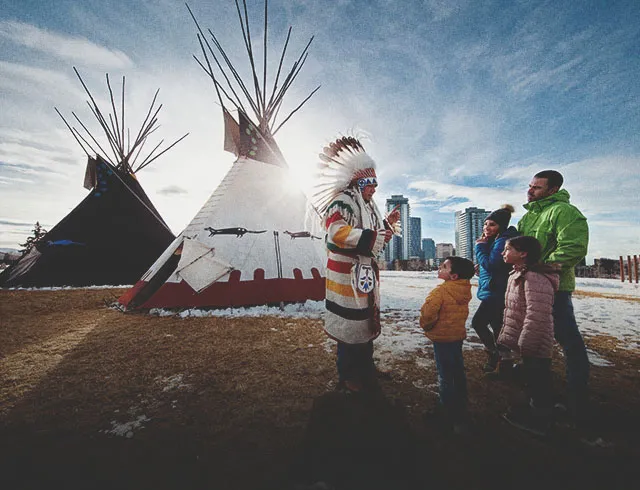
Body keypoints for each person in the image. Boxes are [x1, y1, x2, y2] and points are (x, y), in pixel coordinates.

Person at [313, 136, 400, 394]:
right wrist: (372, 236)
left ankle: (366, 369)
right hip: (346, 275)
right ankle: (348, 374)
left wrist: (386, 224)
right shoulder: (342, 201)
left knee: (364, 323)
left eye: (375, 183)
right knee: (349, 326)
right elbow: (336, 233)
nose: (373, 188)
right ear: (356, 181)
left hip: (364, 275)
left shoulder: (368, 204)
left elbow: (371, 232)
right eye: (368, 183)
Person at [517, 170, 590, 424]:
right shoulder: (528, 216)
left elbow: (573, 247)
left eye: (537, 188)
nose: (530, 191)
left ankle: (576, 398)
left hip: (555, 288)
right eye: (530, 186)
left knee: (568, 340)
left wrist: (543, 267)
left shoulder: (564, 212)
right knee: (537, 338)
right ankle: (539, 392)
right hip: (530, 286)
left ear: (553, 189)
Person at [498, 236, 560, 436]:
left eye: (508, 249)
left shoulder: (533, 277)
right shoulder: (517, 274)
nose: (503, 252)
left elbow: (537, 314)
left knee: (538, 379)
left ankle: (541, 421)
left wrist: (528, 342)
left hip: (535, 339)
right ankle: (539, 410)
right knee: (534, 378)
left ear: (523, 253)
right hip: (529, 339)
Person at [419, 256, 475, 433]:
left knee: (445, 375)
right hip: (456, 337)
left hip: (442, 339)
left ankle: (448, 411)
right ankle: (461, 403)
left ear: (454, 276)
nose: (439, 268)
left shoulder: (440, 292)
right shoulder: (464, 290)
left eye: (444, 266)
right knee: (457, 371)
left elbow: (428, 315)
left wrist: (426, 326)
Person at [471, 204, 519, 372]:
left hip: (497, 291)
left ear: (501, 226)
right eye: (486, 224)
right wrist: (481, 268)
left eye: (492, 224)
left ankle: (494, 354)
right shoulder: (496, 240)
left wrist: (480, 247)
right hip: (495, 288)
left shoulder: (501, 241)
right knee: (498, 326)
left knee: (478, 323)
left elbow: (492, 265)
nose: (486, 228)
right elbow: (493, 266)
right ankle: (504, 362)